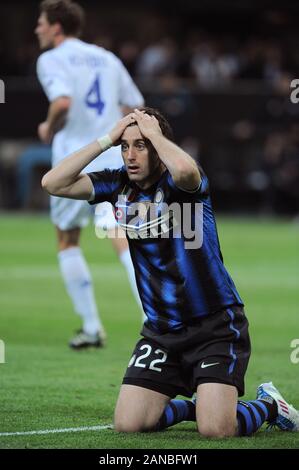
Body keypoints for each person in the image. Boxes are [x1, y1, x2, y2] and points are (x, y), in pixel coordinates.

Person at [41, 107, 299, 436]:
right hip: (162, 331)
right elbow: (53, 183)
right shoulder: (117, 185)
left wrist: (156, 135)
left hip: (215, 325)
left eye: (141, 145)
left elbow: (186, 170)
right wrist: (106, 139)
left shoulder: (183, 185)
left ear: (158, 146)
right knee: (129, 424)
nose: (130, 155)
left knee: (215, 430)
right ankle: (201, 403)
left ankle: (271, 405)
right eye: (125, 146)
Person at [35, 0, 144, 349]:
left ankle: (92, 326)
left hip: (74, 160)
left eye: (41, 22)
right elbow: (132, 106)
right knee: (121, 235)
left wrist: (48, 127)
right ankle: (152, 316)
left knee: (68, 239)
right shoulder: (106, 57)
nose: (37, 28)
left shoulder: (51, 59)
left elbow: (62, 102)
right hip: (112, 157)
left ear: (55, 26)